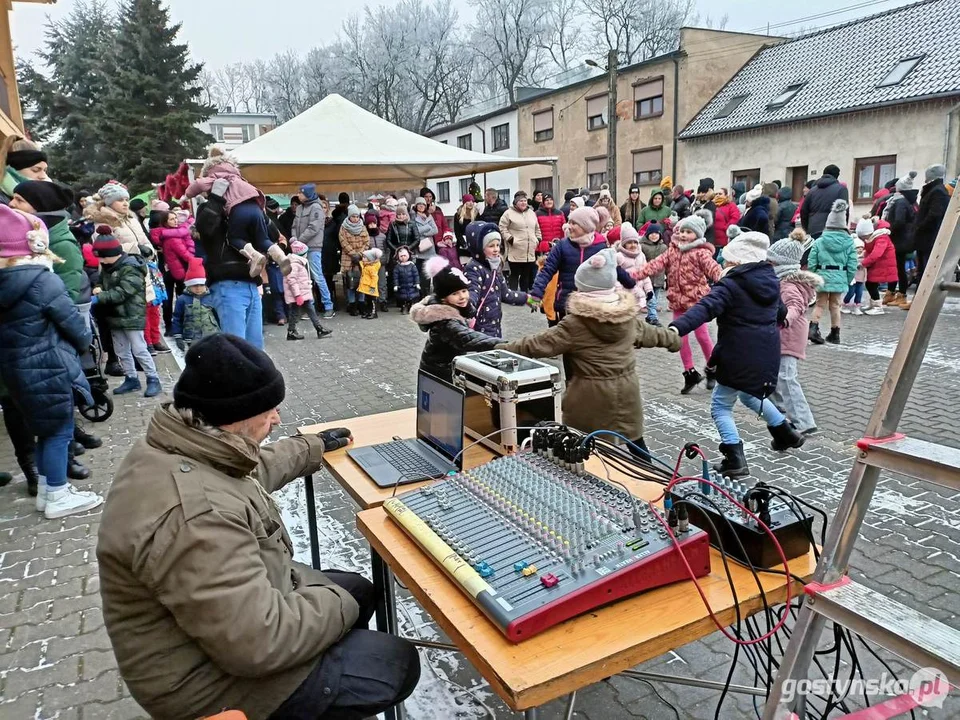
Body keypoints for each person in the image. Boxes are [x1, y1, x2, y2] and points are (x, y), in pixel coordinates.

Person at [96, 333, 420, 720]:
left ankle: (330, 663)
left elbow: (244, 472)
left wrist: (310, 448)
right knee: (393, 662)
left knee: (361, 589)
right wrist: (340, 605)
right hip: (203, 684)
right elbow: (259, 644)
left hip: (221, 628)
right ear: (237, 416)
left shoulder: (185, 441)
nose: (277, 418)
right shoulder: (197, 517)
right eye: (269, 410)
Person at [502, 249, 681, 460]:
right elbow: (656, 335)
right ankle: (655, 485)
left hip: (588, 396)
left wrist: (500, 349)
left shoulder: (575, 324)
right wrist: (674, 339)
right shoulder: (627, 319)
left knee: (583, 449)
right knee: (636, 444)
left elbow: (536, 344)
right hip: (626, 391)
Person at [670, 230, 803, 477]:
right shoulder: (771, 282)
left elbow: (705, 308)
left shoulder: (730, 285)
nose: (724, 264)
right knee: (750, 396)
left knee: (720, 406)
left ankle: (734, 458)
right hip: (766, 353)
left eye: (728, 260)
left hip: (738, 356)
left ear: (739, 262)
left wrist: (676, 327)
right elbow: (781, 314)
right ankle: (786, 433)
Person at [0, 204, 103, 518]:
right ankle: (58, 494)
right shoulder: (44, 281)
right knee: (59, 431)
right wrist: (84, 342)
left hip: (15, 370)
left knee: (44, 431)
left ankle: (48, 489)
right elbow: (75, 326)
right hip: (50, 366)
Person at [632, 212, 721, 394]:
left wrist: (726, 278)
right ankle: (690, 373)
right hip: (678, 302)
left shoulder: (701, 253)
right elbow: (654, 265)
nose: (683, 235)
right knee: (679, 338)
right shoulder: (672, 250)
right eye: (681, 231)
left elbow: (714, 269)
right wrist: (631, 276)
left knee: (703, 336)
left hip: (697, 304)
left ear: (697, 234)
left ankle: (713, 368)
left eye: (688, 232)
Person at [184, 147, 289, 278]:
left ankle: (255, 256)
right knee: (264, 239)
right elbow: (206, 228)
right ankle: (280, 256)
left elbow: (197, 185)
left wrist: (187, 195)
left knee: (235, 238)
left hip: (239, 213)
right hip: (255, 207)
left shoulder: (214, 178)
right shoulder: (239, 180)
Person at [527, 206, 636, 323]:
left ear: (586, 226)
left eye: (574, 223)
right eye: (569, 222)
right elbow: (546, 271)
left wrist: (630, 282)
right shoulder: (562, 246)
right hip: (566, 303)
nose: (569, 226)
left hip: (591, 305)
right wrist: (536, 295)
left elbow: (613, 267)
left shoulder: (600, 246)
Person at [90, 227, 162, 397]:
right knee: (121, 350)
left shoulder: (131, 268)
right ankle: (131, 378)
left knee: (139, 349)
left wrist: (100, 297)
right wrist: (98, 288)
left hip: (131, 315)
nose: (100, 260)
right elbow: (100, 283)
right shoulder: (107, 267)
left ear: (111, 254)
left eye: (101, 256)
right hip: (114, 316)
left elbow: (123, 292)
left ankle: (153, 378)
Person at [192, 180, 264, 348]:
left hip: (251, 283)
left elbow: (266, 235)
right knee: (236, 347)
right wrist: (217, 198)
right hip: (228, 284)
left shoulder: (243, 211)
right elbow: (205, 228)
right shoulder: (210, 208)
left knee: (256, 348)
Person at [410, 257, 502, 381]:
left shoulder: (457, 308)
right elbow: (467, 338)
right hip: (439, 373)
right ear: (444, 298)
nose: (462, 297)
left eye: (464, 291)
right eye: (455, 294)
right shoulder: (445, 321)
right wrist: (503, 345)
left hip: (445, 368)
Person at [767, 239, 821, 435]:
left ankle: (803, 422)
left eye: (771, 262)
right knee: (772, 376)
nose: (768, 265)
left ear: (782, 264)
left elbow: (795, 306)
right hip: (780, 334)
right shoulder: (781, 281)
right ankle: (781, 413)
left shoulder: (788, 284)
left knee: (787, 378)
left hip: (788, 334)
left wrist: (786, 320)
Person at [807, 200, 858, 345]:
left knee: (819, 304)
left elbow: (812, 261)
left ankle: (813, 329)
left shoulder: (819, 241)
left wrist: (814, 276)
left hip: (822, 276)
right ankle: (835, 334)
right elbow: (852, 264)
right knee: (835, 305)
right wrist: (846, 279)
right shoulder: (849, 243)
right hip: (840, 276)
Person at [463, 221, 527, 337]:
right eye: (491, 246)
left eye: (498, 245)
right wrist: (467, 306)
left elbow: (506, 294)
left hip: (495, 326)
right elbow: (472, 292)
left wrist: (529, 299)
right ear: (479, 248)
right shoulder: (474, 268)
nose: (496, 249)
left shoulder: (495, 267)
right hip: (480, 327)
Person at [290, 184, 334, 318]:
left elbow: (314, 228)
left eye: (300, 193)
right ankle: (310, 308)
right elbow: (294, 226)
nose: (298, 195)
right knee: (305, 278)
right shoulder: (299, 208)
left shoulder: (316, 207)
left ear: (307, 194)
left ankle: (328, 305)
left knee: (317, 276)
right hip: (299, 248)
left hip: (312, 247)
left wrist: (299, 240)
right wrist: (294, 239)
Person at [283, 240, 333, 339]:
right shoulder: (294, 264)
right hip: (299, 295)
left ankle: (317, 329)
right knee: (298, 311)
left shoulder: (297, 263)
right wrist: (297, 295)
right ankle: (294, 331)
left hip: (301, 294)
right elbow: (291, 280)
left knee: (305, 310)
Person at [84, 181, 148, 256]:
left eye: (126, 200)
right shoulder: (103, 222)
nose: (125, 204)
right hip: (123, 265)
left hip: (144, 264)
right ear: (109, 202)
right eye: (120, 200)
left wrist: (150, 252)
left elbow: (145, 240)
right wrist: (136, 248)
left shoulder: (132, 219)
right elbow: (106, 250)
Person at [614, 223, 657, 325]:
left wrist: (649, 290)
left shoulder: (641, 256)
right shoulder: (619, 257)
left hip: (638, 293)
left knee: (634, 318)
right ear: (624, 243)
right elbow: (615, 278)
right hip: (624, 294)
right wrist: (619, 293)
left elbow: (645, 274)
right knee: (624, 319)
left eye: (635, 242)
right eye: (629, 242)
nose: (633, 245)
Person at [172, 257, 219, 349]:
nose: (198, 288)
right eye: (194, 285)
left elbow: (219, 317)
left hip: (212, 337)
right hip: (191, 339)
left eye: (201, 285)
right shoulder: (182, 300)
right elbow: (177, 318)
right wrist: (178, 336)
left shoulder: (212, 297)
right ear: (188, 285)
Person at [499, 191, 541, 292]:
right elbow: (502, 227)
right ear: (516, 202)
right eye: (521, 201)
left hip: (529, 251)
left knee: (526, 276)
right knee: (514, 275)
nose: (523, 203)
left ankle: (524, 295)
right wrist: (510, 239)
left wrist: (538, 239)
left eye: (525, 201)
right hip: (515, 250)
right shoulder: (508, 213)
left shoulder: (531, 213)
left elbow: (537, 228)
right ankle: (512, 295)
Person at [914, 163, 951, 281]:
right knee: (922, 269)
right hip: (925, 238)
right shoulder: (932, 190)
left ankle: (922, 297)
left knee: (926, 270)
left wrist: (920, 227)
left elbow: (934, 215)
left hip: (929, 238)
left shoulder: (937, 191)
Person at [860, 217, 897, 316]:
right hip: (878, 264)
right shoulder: (876, 236)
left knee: (871, 284)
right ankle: (874, 304)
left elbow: (876, 253)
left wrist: (863, 263)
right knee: (871, 284)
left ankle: (877, 307)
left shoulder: (881, 237)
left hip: (882, 265)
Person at [800, 164, 849, 238]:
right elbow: (843, 211)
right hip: (832, 231)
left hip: (813, 230)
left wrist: (807, 228)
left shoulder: (812, 191)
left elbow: (803, 211)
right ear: (837, 176)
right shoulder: (841, 189)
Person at [339, 204, 370, 316]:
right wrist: (353, 254)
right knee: (350, 282)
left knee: (361, 281)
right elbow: (343, 242)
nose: (356, 219)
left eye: (357, 216)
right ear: (349, 216)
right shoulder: (343, 227)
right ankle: (352, 304)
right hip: (348, 258)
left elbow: (367, 242)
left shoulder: (363, 227)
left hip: (361, 258)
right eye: (353, 216)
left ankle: (361, 303)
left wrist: (360, 254)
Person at [140, 244, 169, 355]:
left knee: (155, 319)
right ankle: (148, 343)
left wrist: (162, 294)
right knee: (146, 322)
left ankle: (155, 340)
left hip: (155, 298)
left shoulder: (153, 266)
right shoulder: (140, 268)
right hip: (146, 298)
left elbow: (159, 281)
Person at [641, 223, 668, 316]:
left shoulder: (663, 247)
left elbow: (666, 261)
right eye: (651, 233)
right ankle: (646, 305)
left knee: (656, 291)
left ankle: (654, 304)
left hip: (659, 274)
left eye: (656, 233)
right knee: (648, 290)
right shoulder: (642, 246)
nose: (654, 236)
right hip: (647, 273)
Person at [412, 197, 438, 291]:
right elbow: (415, 231)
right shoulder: (413, 217)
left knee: (427, 273)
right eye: (419, 204)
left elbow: (435, 230)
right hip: (420, 248)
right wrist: (427, 227)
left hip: (430, 248)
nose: (421, 206)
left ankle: (426, 291)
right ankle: (421, 292)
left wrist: (424, 233)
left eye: (423, 204)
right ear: (416, 206)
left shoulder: (429, 216)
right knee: (420, 273)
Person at [841, 236, 867, 316]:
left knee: (859, 293)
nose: (860, 249)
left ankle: (857, 307)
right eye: (857, 247)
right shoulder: (851, 257)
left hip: (861, 278)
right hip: (853, 278)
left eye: (861, 247)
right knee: (851, 292)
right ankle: (844, 304)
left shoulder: (865, 257)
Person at [711, 188, 741, 255]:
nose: (718, 195)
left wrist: (726, 228)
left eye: (720, 194)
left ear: (725, 195)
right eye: (716, 194)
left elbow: (735, 218)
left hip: (725, 239)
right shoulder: (712, 205)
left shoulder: (731, 205)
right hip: (713, 240)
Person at [392, 246, 420, 314]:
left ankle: (409, 306)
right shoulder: (397, 267)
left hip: (411, 285)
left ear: (408, 255)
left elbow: (416, 275)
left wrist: (417, 283)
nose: (403, 257)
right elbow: (395, 277)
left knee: (411, 297)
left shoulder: (412, 265)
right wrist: (396, 285)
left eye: (405, 255)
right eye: (401, 256)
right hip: (402, 286)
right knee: (403, 298)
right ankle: (404, 307)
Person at [358, 248, 383, 319]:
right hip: (366, 287)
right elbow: (361, 263)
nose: (363, 258)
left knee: (372, 301)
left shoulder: (371, 267)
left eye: (365, 257)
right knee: (367, 300)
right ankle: (369, 312)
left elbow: (375, 277)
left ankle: (374, 313)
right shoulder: (366, 265)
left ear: (370, 259)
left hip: (371, 288)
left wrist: (372, 286)